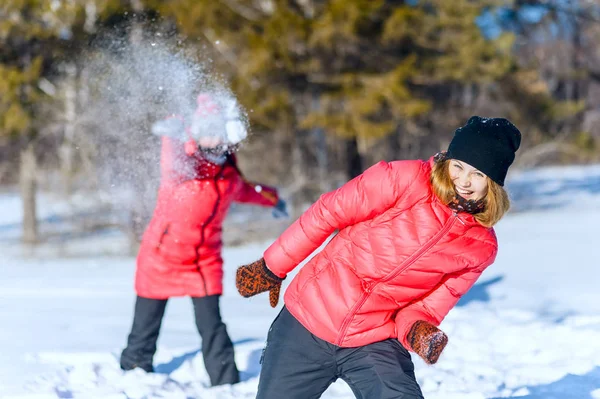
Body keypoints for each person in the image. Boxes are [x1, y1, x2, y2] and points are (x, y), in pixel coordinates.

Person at [235, 116, 521, 398]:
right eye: (458, 166)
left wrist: (417, 330)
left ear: (493, 183)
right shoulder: (405, 179)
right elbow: (327, 213)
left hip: (374, 337)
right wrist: (272, 267)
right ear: (448, 161)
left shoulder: (480, 247)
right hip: (308, 318)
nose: (464, 181)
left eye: (478, 174)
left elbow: (428, 306)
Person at [120, 92, 287, 386]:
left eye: (217, 133)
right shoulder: (183, 169)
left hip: (204, 261)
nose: (212, 140)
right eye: (206, 133)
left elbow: (249, 191)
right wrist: (172, 132)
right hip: (160, 257)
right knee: (145, 326)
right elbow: (171, 158)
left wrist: (274, 200)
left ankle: (226, 383)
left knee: (212, 326)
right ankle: (132, 377)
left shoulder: (229, 176)